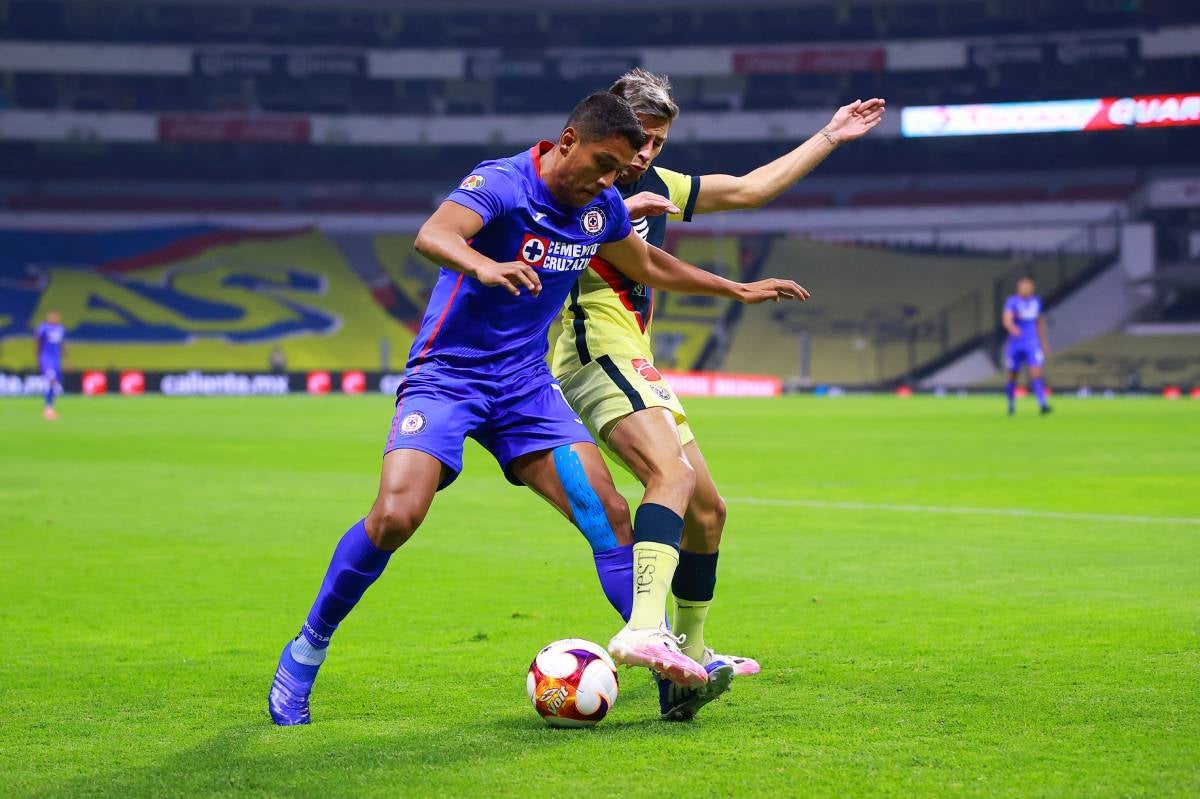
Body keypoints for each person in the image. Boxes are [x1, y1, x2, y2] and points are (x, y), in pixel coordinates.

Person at [268, 91, 809, 726]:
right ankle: (307, 648)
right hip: (448, 377)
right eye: (603, 164)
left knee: (609, 515)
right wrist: (484, 266)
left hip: (524, 388)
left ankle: (665, 661)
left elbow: (648, 263)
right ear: (567, 141)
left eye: (620, 172)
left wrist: (734, 288)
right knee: (395, 516)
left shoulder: (601, 204)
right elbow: (434, 234)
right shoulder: (502, 182)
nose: (610, 183)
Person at [551, 69, 885, 719]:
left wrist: (830, 136)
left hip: (636, 362)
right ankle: (646, 626)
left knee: (709, 511)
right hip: (594, 355)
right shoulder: (574, 180)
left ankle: (689, 665)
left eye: (657, 144)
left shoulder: (655, 184)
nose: (646, 154)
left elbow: (750, 189)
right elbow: (601, 251)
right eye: (639, 139)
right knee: (668, 474)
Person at [1003, 277, 1052, 415]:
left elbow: (1040, 322)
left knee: (1036, 373)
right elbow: (1007, 319)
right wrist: (1012, 327)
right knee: (1013, 375)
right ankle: (1011, 405)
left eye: (1027, 286)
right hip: (1015, 343)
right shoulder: (1012, 301)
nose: (1025, 288)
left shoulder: (1037, 302)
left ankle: (1042, 405)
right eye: (1022, 286)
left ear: (1032, 288)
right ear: (1018, 288)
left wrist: (1043, 342)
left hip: (1032, 343)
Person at [35, 311, 65, 420]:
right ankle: (48, 410)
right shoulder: (42, 328)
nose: (54, 318)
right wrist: (39, 359)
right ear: (48, 317)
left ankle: (50, 407)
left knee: (56, 382)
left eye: (56, 316)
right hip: (46, 359)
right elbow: (38, 344)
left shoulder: (61, 328)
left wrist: (65, 358)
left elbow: (62, 344)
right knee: (51, 381)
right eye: (52, 316)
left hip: (56, 359)